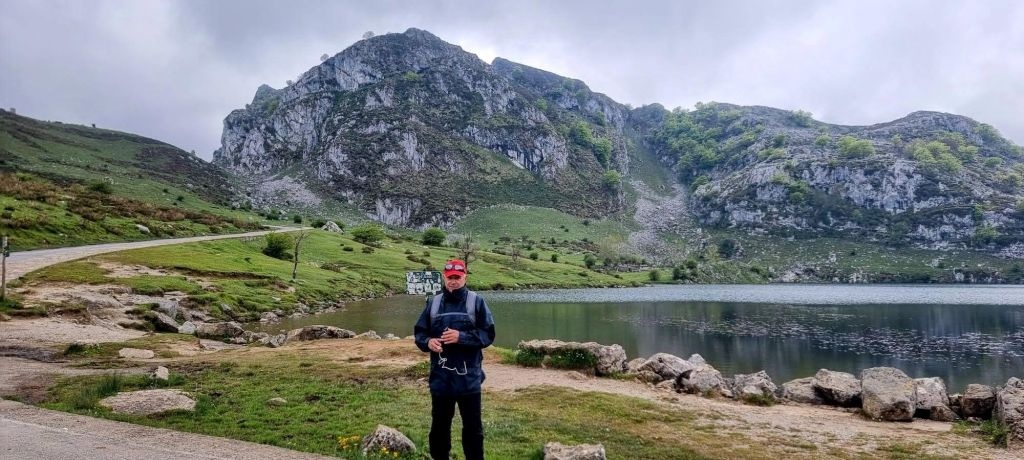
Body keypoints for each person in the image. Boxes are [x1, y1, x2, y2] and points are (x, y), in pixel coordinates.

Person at [413, 259, 496, 460]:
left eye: (458, 277)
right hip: (441, 380)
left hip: (469, 379)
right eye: (450, 277)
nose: (453, 281)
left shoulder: (476, 302)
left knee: (473, 429)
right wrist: (428, 342)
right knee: (439, 428)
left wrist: (462, 337)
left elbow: (488, 334)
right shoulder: (433, 303)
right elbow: (420, 333)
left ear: (465, 277)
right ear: (444, 276)